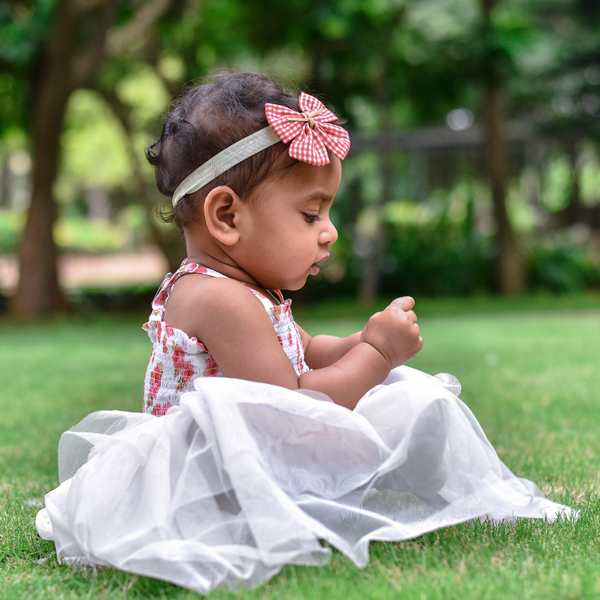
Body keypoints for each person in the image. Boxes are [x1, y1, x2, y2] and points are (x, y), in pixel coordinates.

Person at [36, 72, 574, 595]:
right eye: (311, 213)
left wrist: (363, 340)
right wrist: (379, 356)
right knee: (398, 393)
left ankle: (470, 492)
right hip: (210, 484)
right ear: (226, 215)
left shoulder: (249, 290)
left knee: (406, 390)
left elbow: (309, 351)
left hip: (253, 457)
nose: (330, 231)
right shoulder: (219, 298)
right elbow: (293, 406)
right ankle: (453, 493)